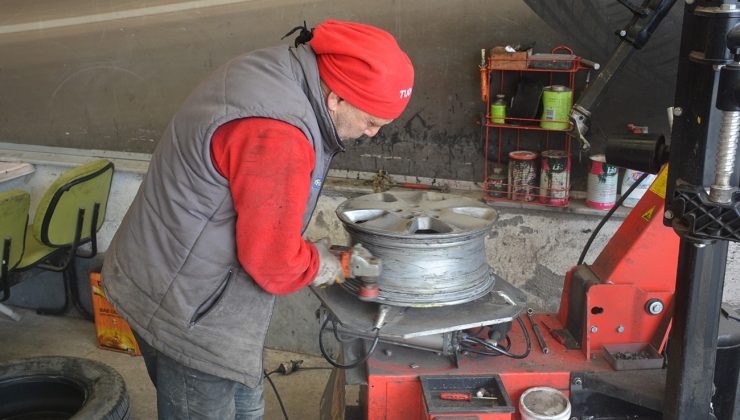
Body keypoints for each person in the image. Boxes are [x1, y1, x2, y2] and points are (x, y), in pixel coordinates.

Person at [101, 19, 414, 419]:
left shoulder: (274, 69)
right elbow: (272, 264)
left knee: (246, 405)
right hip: (186, 310)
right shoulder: (279, 134)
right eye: (371, 121)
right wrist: (327, 264)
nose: (371, 133)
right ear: (335, 97)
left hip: (163, 265)